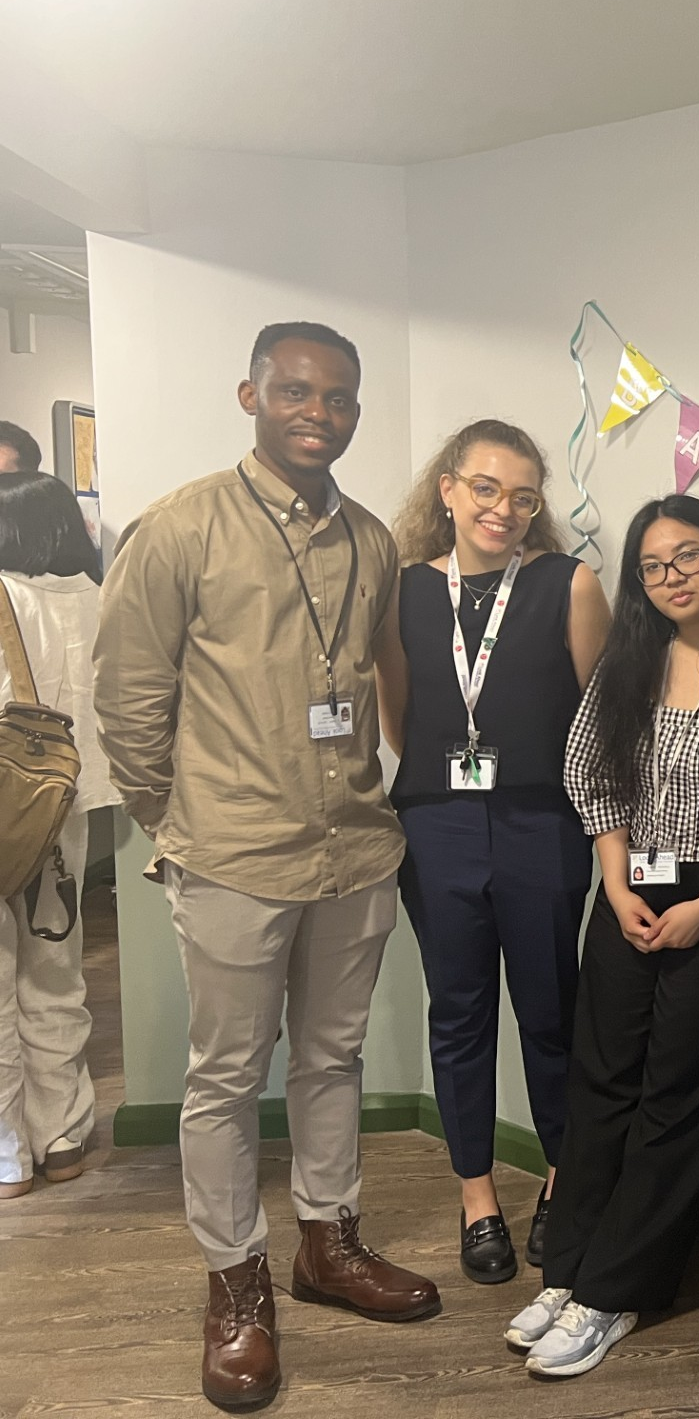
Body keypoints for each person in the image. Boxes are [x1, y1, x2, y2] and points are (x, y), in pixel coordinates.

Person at [94, 321, 440, 1413]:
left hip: (353, 847)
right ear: (250, 393)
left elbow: (367, 678)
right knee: (226, 1079)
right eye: (296, 392)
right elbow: (127, 702)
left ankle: (327, 1245)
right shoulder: (180, 528)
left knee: (330, 1061)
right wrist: (181, 816)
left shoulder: (373, 539)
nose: (319, 414)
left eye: (339, 398)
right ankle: (235, 1281)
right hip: (235, 855)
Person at [504, 494, 699, 1377]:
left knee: (673, 1097)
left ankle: (615, 1291)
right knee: (599, 1079)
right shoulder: (634, 659)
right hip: (631, 883)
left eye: (688, 556)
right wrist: (613, 879)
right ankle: (567, 1272)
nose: (671, 577)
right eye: (652, 566)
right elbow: (589, 763)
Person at [376, 419, 608, 1286]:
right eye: (485, 489)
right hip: (435, 826)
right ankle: (477, 1197)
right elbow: (400, 717)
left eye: (522, 496)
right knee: (460, 1014)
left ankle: (561, 1180)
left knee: (552, 1014)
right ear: (448, 490)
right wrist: (448, 788)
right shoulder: (401, 591)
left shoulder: (566, 583)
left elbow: (601, 719)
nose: (502, 510)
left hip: (541, 823)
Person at [0, 471, 111, 1198]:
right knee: (55, 971)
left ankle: (7, 1151)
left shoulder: (6, 597)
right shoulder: (104, 601)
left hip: (5, 802)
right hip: (67, 811)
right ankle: (63, 1133)